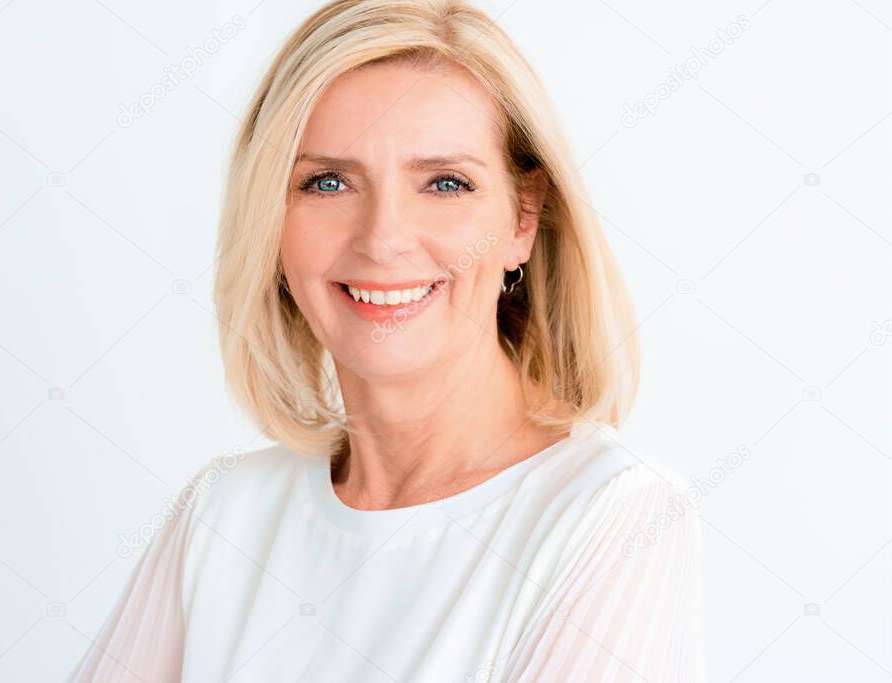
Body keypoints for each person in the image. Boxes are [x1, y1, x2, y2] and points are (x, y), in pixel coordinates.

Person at [69, 1, 709, 680]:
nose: (382, 239)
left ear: (524, 217)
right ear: (271, 218)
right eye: (329, 181)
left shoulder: (612, 517)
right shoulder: (224, 515)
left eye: (444, 182)